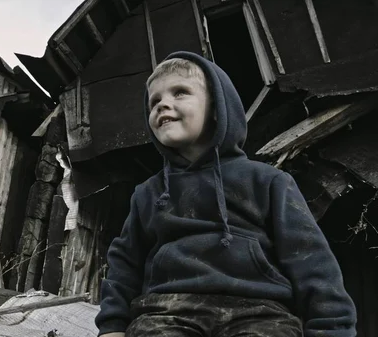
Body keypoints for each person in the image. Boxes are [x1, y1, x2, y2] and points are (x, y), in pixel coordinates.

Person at [94, 51, 357, 337]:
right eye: (154, 102)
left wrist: (332, 328)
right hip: (167, 312)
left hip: (260, 311)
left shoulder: (268, 181)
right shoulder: (148, 194)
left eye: (180, 92)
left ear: (218, 108)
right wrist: (112, 327)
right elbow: (125, 264)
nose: (162, 104)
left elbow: (311, 259)